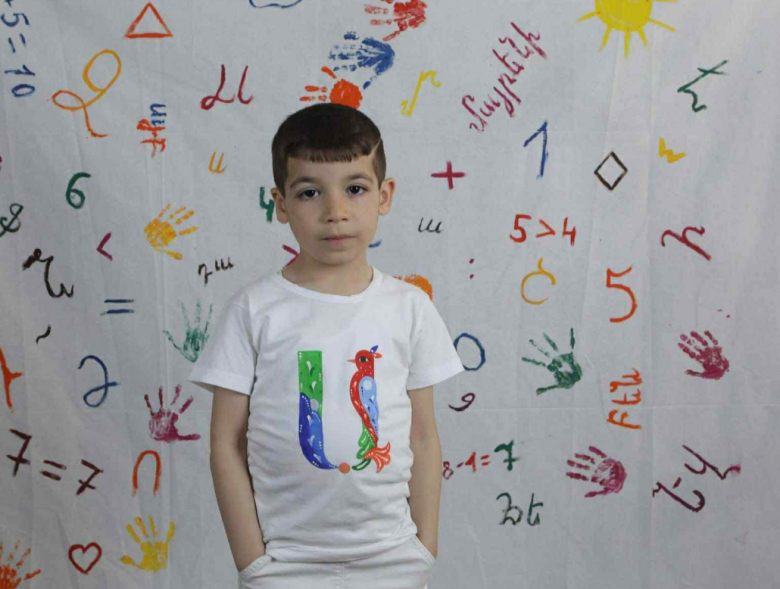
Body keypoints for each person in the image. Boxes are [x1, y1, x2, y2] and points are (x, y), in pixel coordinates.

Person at [187, 103, 465, 589]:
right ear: (280, 204)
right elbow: (226, 442)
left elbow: (422, 435)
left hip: (393, 559)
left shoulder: (410, 308)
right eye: (310, 192)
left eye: (355, 189)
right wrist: (252, 562)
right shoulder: (253, 311)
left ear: (384, 195)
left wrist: (424, 548)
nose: (335, 211)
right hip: (285, 564)